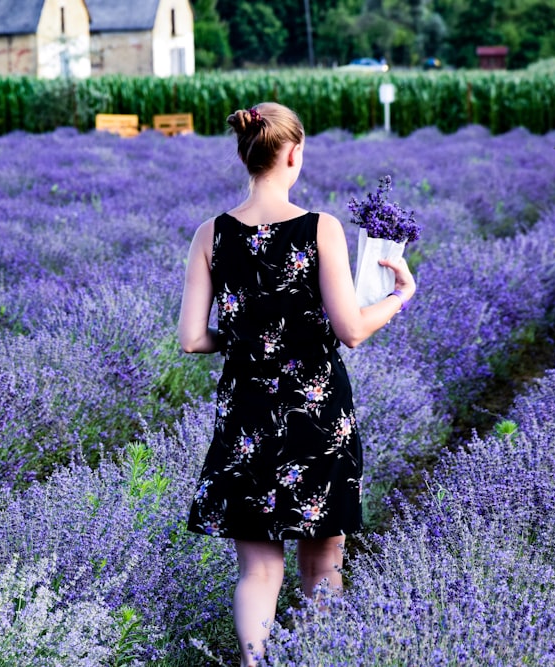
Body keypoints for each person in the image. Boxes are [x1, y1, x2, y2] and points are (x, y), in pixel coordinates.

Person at [176, 102, 415, 667]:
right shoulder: (320, 228)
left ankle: (255, 664)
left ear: (247, 154)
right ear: (292, 153)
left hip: (246, 414)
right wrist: (400, 294)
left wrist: (246, 341)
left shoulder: (210, 234)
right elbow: (351, 330)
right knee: (322, 565)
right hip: (317, 415)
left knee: (258, 569)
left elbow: (190, 339)